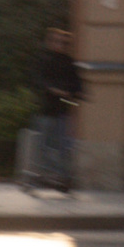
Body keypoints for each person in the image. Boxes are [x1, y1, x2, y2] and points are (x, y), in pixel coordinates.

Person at [33, 23, 85, 194]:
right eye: (58, 42)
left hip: (64, 111)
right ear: (50, 42)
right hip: (47, 110)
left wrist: (78, 93)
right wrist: (55, 90)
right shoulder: (44, 59)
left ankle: (60, 177)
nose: (61, 46)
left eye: (65, 43)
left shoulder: (68, 62)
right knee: (45, 146)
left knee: (64, 147)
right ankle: (54, 175)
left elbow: (77, 83)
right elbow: (40, 81)